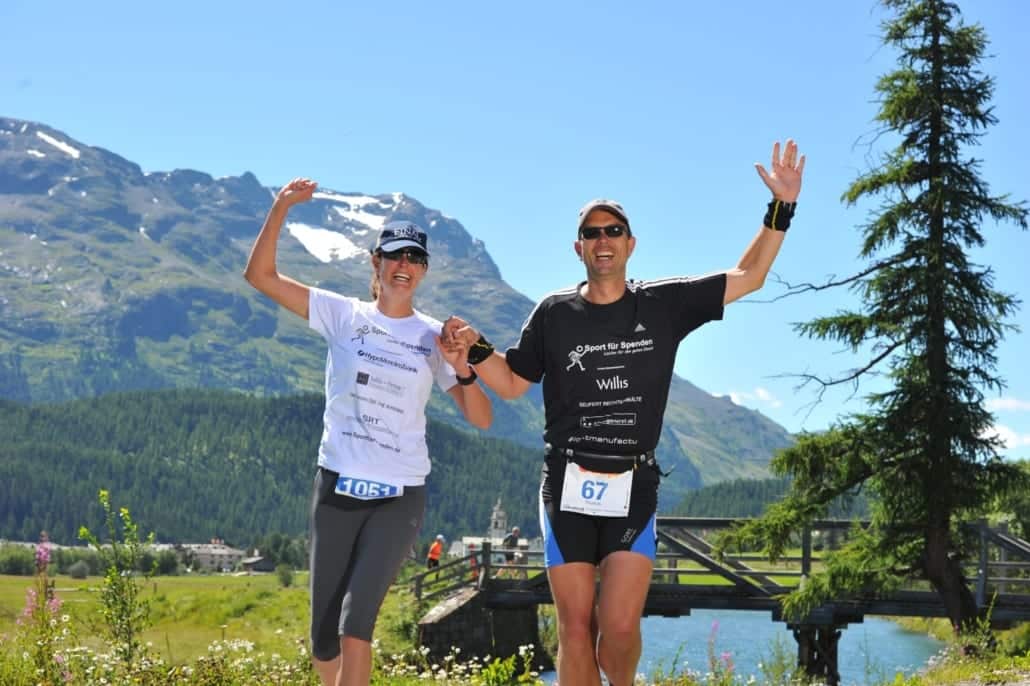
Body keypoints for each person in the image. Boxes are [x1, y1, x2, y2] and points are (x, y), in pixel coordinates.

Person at [444, 141, 805, 686]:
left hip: (633, 481)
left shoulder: (663, 303)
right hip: (566, 479)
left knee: (617, 628)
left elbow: (748, 276)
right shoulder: (554, 313)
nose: (603, 240)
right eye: (592, 233)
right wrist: (472, 350)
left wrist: (781, 207)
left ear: (631, 243)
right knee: (573, 626)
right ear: (578, 247)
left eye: (613, 231)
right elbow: (514, 383)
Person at [244, 177, 492, 686]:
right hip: (336, 487)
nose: (404, 267)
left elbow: (482, 417)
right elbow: (261, 275)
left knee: (357, 625)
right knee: (323, 636)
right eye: (394, 256)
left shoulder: (431, 337)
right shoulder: (342, 314)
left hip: (398, 496)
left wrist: (463, 367)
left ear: (422, 271)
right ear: (376, 261)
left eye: (414, 260)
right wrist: (280, 208)